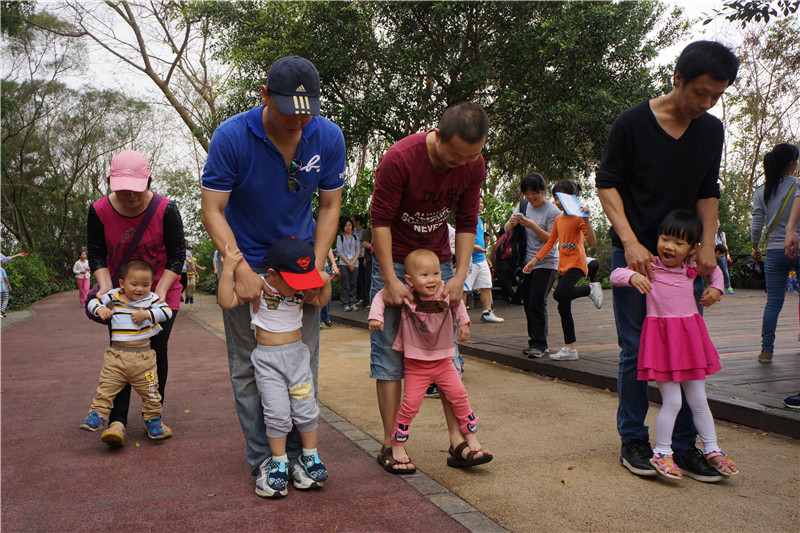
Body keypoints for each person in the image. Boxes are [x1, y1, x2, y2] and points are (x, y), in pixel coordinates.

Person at [596, 40, 739, 481]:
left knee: (686, 352)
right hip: (638, 255)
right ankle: (634, 439)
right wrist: (631, 242)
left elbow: (707, 192)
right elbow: (607, 184)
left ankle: (681, 447)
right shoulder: (632, 124)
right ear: (677, 78)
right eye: (700, 92)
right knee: (636, 350)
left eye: (716, 95)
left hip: (687, 261)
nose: (706, 103)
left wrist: (709, 246)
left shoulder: (710, 131)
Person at [200, 55, 345, 487]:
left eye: (306, 111)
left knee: (303, 361)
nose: (297, 120)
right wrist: (237, 264)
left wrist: (316, 270)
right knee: (250, 365)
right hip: (244, 257)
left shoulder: (328, 136)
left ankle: (302, 457)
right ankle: (265, 458)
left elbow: (330, 204)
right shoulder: (231, 136)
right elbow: (212, 208)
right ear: (264, 96)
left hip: (300, 262)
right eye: (287, 110)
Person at [370, 101, 491, 474]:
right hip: (397, 262)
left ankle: (458, 444)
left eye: (470, 157)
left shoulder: (473, 164)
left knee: (447, 356)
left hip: (438, 263)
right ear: (437, 135)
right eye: (454, 155)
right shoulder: (400, 159)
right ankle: (391, 444)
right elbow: (380, 220)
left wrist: (458, 274)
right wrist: (390, 280)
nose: (460, 164)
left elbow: (468, 219)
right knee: (390, 358)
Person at [610, 210, 739, 479]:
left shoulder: (691, 269)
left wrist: (717, 288)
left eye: (678, 243)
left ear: (692, 249)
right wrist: (632, 277)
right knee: (672, 401)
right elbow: (616, 274)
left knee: (699, 400)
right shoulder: (650, 266)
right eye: (665, 239)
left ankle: (712, 448)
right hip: (663, 344)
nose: (669, 246)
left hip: (690, 342)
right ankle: (662, 452)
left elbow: (715, 272)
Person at [218, 238, 331, 498]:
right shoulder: (259, 286)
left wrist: (324, 278)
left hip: (297, 359)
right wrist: (229, 269)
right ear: (272, 274)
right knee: (277, 413)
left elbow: (321, 300)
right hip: (268, 362)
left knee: (306, 409)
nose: (300, 289)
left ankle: (309, 457)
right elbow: (226, 301)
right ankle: (278, 461)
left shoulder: (301, 284)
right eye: (295, 283)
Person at [88, 149, 185, 447]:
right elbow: (96, 253)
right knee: (122, 350)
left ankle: (152, 416)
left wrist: (158, 293)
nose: (129, 195)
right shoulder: (100, 210)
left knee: (156, 351)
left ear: (148, 181)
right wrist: (105, 287)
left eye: (135, 188)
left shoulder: (166, 209)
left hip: (161, 292)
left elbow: (177, 255)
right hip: (122, 293)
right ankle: (116, 421)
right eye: (122, 189)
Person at [369, 249, 491, 469]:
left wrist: (463, 323)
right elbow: (381, 296)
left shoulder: (444, 291)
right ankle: (397, 443)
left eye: (436, 273)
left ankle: (470, 436)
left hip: (444, 361)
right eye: (424, 275)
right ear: (409, 279)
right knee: (410, 406)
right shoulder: (408, 293)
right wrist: (376, 316)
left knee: (460, 396)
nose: (432, 279)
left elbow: (457, 303)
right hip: (416, 365)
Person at [80, 259, 173, 441]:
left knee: (151, 392)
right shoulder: (113, 295)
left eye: (146, 284)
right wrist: (99, 309)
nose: (140, 289)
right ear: (122, 283)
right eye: (134, 284)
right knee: (106, 388)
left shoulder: (151, 299)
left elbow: (167, 312)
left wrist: (147, 314)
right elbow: (91, 303)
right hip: (116, 357)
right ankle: (97, 416)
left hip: (144, 358)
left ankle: (153, 420)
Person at [523, 180, 603, 361]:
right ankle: (570, 348)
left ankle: (590, 289)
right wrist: (534, 261)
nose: (557, 202)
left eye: (561, 197)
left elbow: (591, 241)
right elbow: (550, 243)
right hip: (563, 267)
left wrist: (587, 220)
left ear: (572, 198)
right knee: (563, 306)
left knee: (559, 294)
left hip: (577, 265)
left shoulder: (578, 218)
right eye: (555, 197)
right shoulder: (559, 219)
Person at [750, 143, 800, 363]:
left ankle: (766, 350)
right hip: (797, 247)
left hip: (773, 251)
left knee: (773, 302)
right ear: (791, 164)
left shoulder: (761, 191)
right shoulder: (798, 185)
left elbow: (757, 223)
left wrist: (755, 247)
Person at [505, 173, 561, 358]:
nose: (530, 197)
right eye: (527, 193)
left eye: (534, 194)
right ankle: (533, 342)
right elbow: (505, 229)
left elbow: (552, 240)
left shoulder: (553, 212)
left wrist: (531, 225)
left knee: (537, 301)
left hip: (546, 262)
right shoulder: (523, 206)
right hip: (525, 262)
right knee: (528, 302)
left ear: (543, 191)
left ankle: (540, 344)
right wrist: (511, 223)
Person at [465, 197, 503, 323]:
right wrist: (473, 247)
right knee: (464, 288)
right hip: (470, 259)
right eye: (478, 202)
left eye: (482, 203)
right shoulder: (467, 217)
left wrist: (485, 257)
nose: (481, 205)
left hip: (481, 259)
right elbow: (462, 238)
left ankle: (487, 313)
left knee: (487, 285)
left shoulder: (479, 220)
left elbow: (479, 240)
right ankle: (461, 315)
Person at [336, 218, 361, 311]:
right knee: (345, 284)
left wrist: (353, 262)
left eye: (350, 225)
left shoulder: (355, 237)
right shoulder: (340, 237)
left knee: (353, 284)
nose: (348, 227)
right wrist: (348, 263)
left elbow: (358, 251)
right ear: (343, 227)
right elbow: (339, 251)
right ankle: (345, 303)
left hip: (355, 263)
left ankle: (352, 303)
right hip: (344, 263)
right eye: (346, 225)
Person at [320, 249, 339, 328]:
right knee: (317, 294)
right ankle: (318, 321)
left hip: (325, 267)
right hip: (314, 267)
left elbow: (328, 250)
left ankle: (325, 316)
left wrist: (334, 264)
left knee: (328, 294)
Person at [714, 220, 734, 294]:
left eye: (717, 222)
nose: (716, 224)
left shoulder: (722, 234)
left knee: (725, 270)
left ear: (719, 224)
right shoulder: (709, 233)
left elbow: (725, 244)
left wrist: (727, 254)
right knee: (710, 269)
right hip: (713, 253)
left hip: (721, 253)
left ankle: (728, 286)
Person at [353, 213, 367, 305]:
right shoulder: (353, 232)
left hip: (361, 256)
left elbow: (364, 246)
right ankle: (357, 296)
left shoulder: (363, 232)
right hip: (354, 257)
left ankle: (362, 297)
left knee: (362, 277)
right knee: (356, 278)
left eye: (353, 221)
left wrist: (365, 257)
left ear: (358, 222)